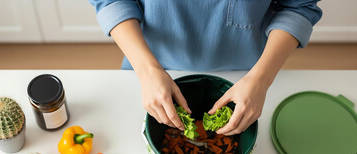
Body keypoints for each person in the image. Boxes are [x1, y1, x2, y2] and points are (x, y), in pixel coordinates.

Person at [89, 0, 322, 135]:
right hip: (150, 68)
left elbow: (298, 6)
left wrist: (261, 79)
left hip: (250, 74)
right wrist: (147, 70)